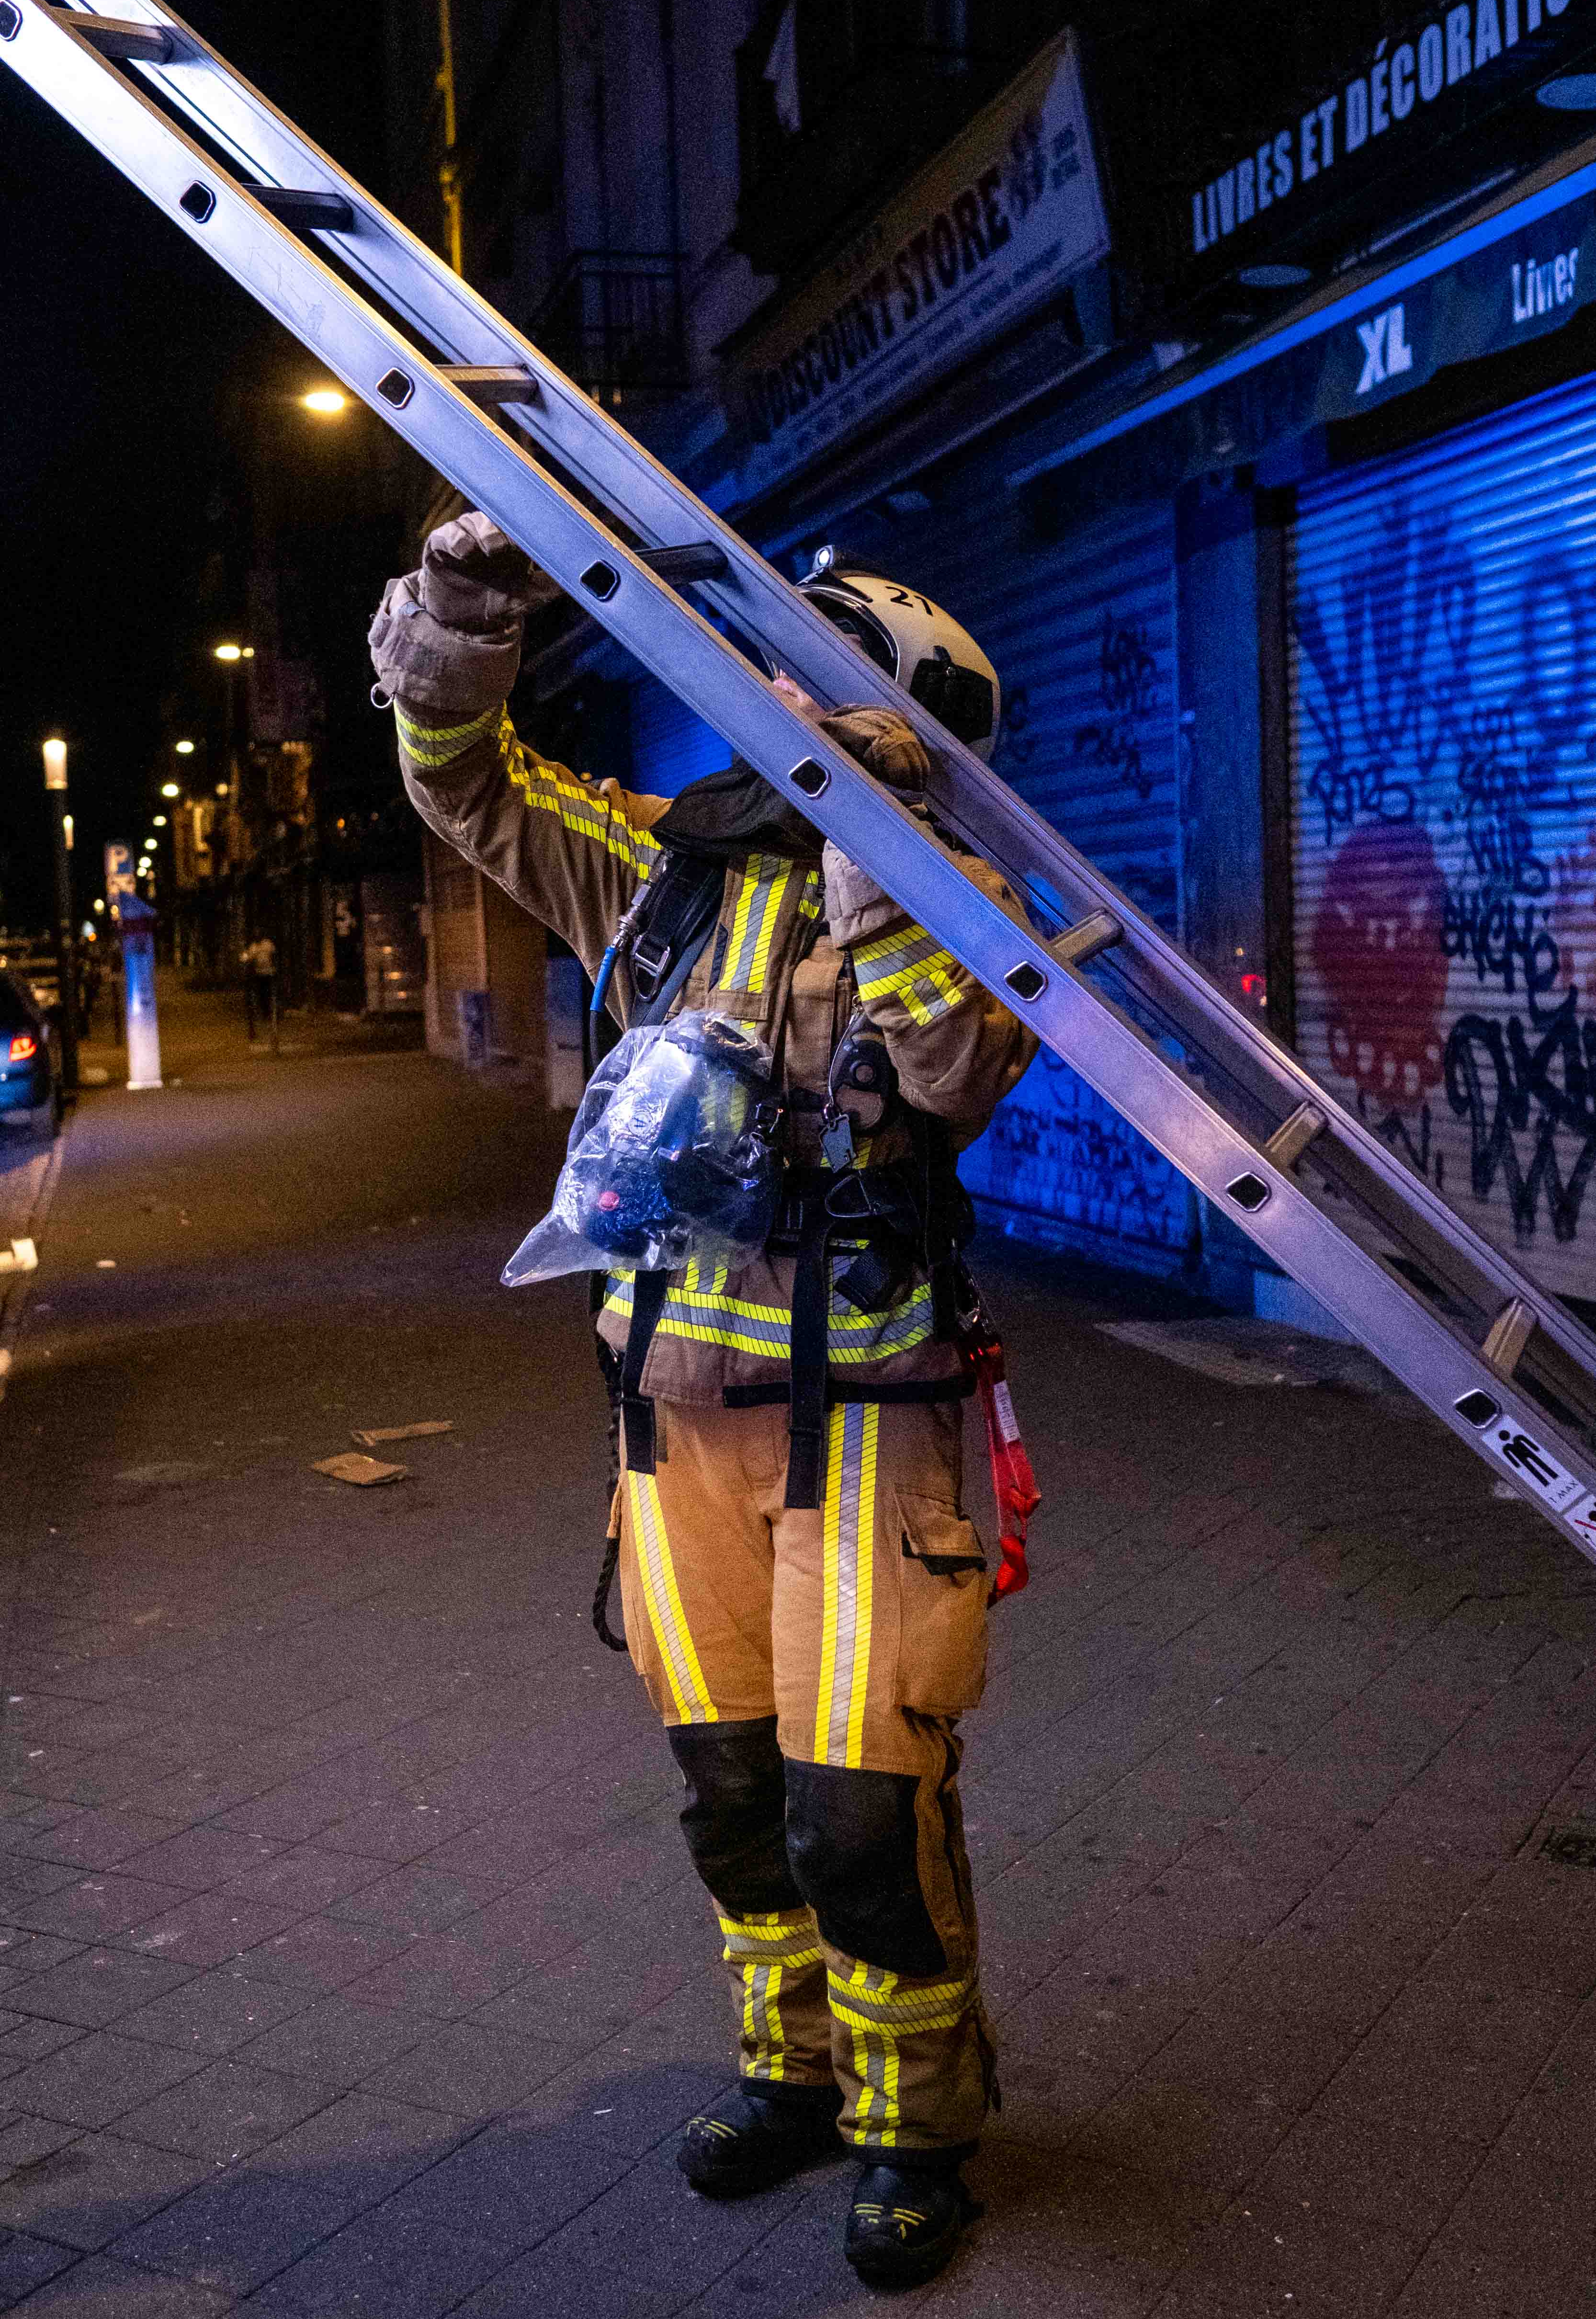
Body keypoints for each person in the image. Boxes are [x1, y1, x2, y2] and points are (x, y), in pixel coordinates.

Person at [370, 514, 1037, 2289]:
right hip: (671, 1414)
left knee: (860, 1808)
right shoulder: (672, 862)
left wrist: (871, 834)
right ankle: (794, 2076)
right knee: (730, 1787)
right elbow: (470, 784)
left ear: (885, 703)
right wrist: (462, 613)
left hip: (866, 1423)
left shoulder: (963, 884)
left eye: (806, 668)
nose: (763, 690)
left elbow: (955, 1072)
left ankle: (916, 2129)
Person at [240, 933, 277, 1037]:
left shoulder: (268, 944)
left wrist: (275, 967)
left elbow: (274, 955)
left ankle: (269, 1012)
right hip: (259, 974)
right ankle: (264, 1012)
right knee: (261, 994)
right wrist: (244, 958)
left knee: (268, 994)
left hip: (269, 973)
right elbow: (247, 958)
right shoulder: (254, 947)